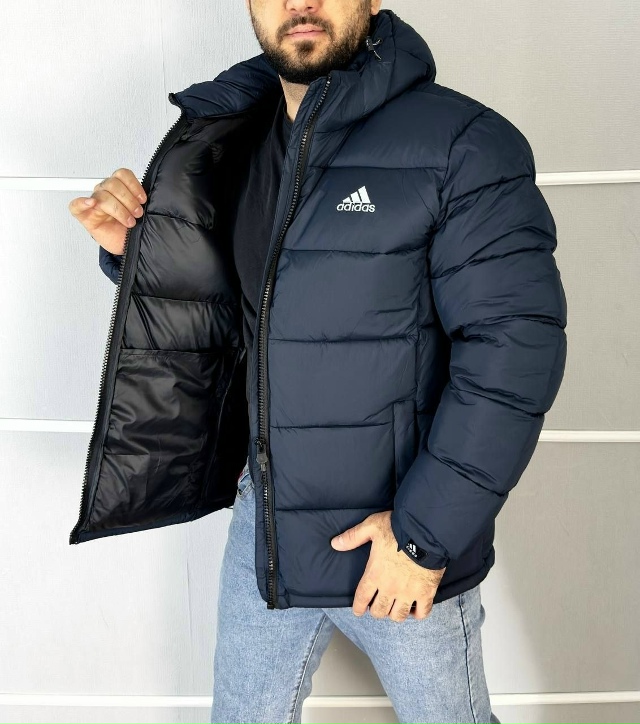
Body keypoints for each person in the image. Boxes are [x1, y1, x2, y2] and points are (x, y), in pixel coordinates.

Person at [68, 2, 567, 722]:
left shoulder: (465, 144)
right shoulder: (233, 138)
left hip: (396, 540)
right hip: (266, 524)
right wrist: (136, 255)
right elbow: (246, 315)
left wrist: (423, 538)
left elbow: (515, 351)